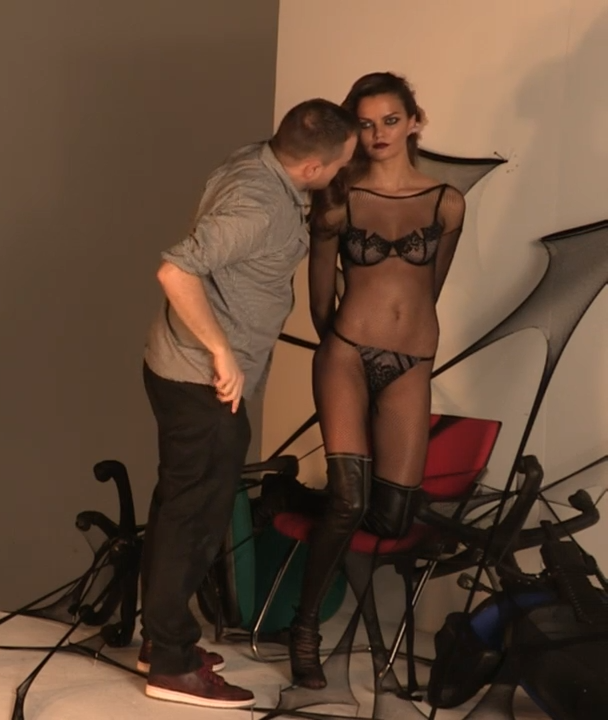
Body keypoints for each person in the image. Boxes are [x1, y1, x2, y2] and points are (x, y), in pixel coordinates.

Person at [139, 99, 359, 709]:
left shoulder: (256, 162)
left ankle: (160, 643)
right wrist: (222, 352)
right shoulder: (259, 205)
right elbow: (175, 272)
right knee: (194, 521)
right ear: (312, 168)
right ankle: (172, 666)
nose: (343, 171)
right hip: (201, 383)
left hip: (179, 371)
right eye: (340, 163)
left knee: (179, 510)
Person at [288, 72, 467, 690]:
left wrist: (406, 342)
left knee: (391, 517)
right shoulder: (340, 199)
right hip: (345, 353)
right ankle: (305, 630)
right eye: (365, 124)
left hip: (411, 362)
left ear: (415, 121)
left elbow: (429, 290)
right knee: (349, 501)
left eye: (391, 120)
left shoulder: (447, 202)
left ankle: (293, 499)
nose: (379, 133)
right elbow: (319, 298)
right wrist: (339, 354)